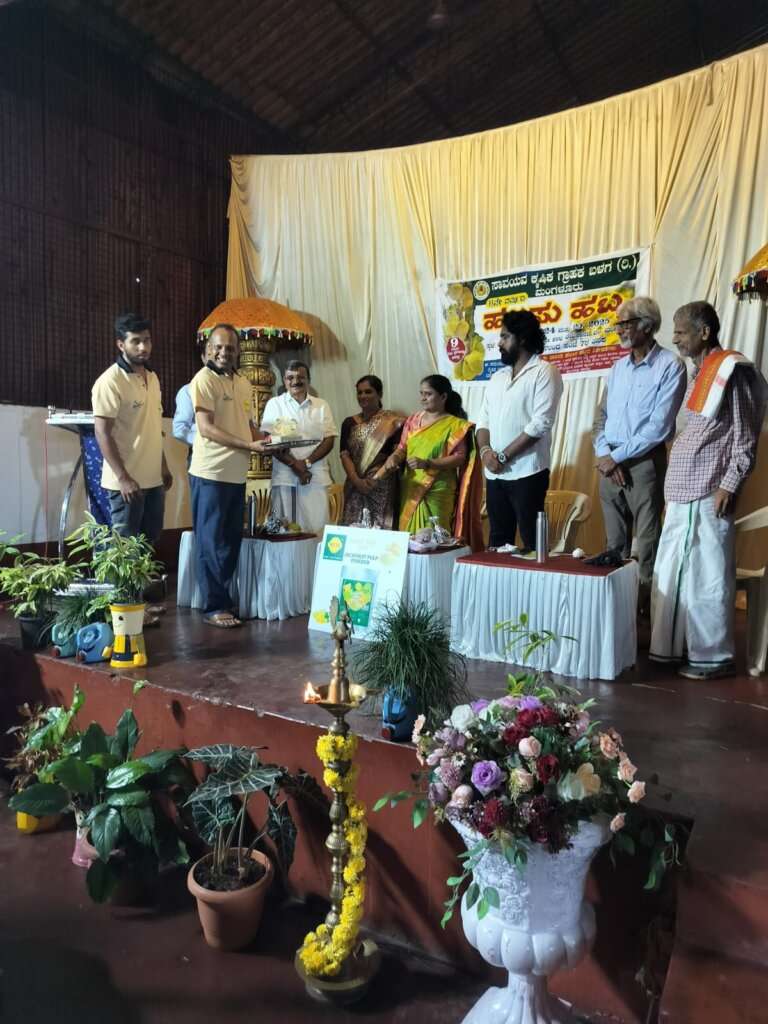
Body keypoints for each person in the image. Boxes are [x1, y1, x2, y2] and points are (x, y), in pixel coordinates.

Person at [650, 301, 766, 679]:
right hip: (681, 491)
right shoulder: (699, 373)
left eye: (680, 332)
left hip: (711, 489)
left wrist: (730, 484)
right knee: (674, 574)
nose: (675, 339)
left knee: (707, 575)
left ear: (704, 332)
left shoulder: (732, 369)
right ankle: (674, 649)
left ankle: (713, 657)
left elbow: (745, 436)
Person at [592, 297, 687, 606]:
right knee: (614, 543)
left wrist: (615, 458)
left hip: (645, 463)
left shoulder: (670, 366)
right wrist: (605, 455)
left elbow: (659, 427)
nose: (619, 330)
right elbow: (600, 417)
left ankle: (645, 612)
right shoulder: (617, 368)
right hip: (609, 463)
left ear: (647, 326)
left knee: (647, 543)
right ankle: (616, 608)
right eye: (617, 324)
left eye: (625, 324)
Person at [189, 324, 269, 628]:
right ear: (209, 349)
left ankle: (223, 599)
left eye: (231, 348)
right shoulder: (204, 379)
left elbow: (248, 426)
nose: (224, 353)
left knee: (230, 541)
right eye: (219, 347)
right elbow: (206, 428)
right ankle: (214, 606)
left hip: (237, 474)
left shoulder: (244, 383)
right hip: (210, 473)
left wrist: (271, 441)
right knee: (210, 541)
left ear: (238, 351)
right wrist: (249, 445)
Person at [476, 309, 563, 552]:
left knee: (533, 544)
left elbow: (540, 423)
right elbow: (483, 422)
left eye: (505, 337)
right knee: (498, 542)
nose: (499, 343)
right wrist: (485, 453)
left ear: (522, 338)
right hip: (495, 475)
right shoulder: (498, 377)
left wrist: (503, 457)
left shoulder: (545, 371)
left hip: (528, 472)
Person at [375, 374, 483, 548]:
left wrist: (428, 463)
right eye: (421, 393)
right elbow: (403, 447)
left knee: (435, 541)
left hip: (438, 489)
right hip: (412, 485)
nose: (423, 398)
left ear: (443, 396)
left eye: (428, 394)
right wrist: (394, 457)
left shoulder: (456, 425)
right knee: (409, 541)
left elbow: (460, 457)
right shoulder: (413, 420)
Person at [92, 312, 172, 545]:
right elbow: (102, 433)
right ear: (121, 344)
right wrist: (123, 478)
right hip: (127, 485)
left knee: (149, 546)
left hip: (154, 480)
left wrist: (163, 466)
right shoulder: (110, 381)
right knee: (125, 551)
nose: (143, 347)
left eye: (146, 340)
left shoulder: (153, 378)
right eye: (135, 341)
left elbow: (153, 427)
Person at [260, 361, 338, 536]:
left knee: (317, 531)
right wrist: (295, 465)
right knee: (286, 532)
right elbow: (269, 440)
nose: (295, 381)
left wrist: (306, 463)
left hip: (315, 477)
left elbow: (329, 440)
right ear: (284, 380)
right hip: (285, 477)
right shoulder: (275, 404)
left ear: (308, 379)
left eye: (300, 377)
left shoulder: (321, 405)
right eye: (290, 377)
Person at [339, 375, 403, 528]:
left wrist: (375, 480)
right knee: (353, 529)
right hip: (354, 485)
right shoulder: (349, 423)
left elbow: (396, 455)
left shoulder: (393, 422)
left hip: (381, 485)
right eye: (359, 392)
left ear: (379, 394)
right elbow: (344, 454)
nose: (363, 396)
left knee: (380, 531)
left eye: (368, 392)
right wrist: (356, 481)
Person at [172, 338, 211, 456]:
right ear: (203, 358)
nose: (217, 357)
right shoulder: (188, 391)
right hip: (202, 454)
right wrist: (208, 444)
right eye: (210, 354)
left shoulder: (232, 388)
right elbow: (179, 429)